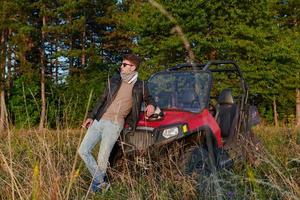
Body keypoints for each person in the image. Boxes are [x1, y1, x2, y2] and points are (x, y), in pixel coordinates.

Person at [78, 54, 156, 192]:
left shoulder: (141, 85)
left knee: (103, 157)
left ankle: (97, 187)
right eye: (122, 64)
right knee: (83, 150)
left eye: (124, 65)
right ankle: (101, 182)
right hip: (99, 120)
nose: (121, 66)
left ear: (133, 67)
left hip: (114, 124)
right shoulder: (114, 80)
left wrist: (151, 105)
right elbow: (102, 99)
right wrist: (91, 116)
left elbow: (149, 99)